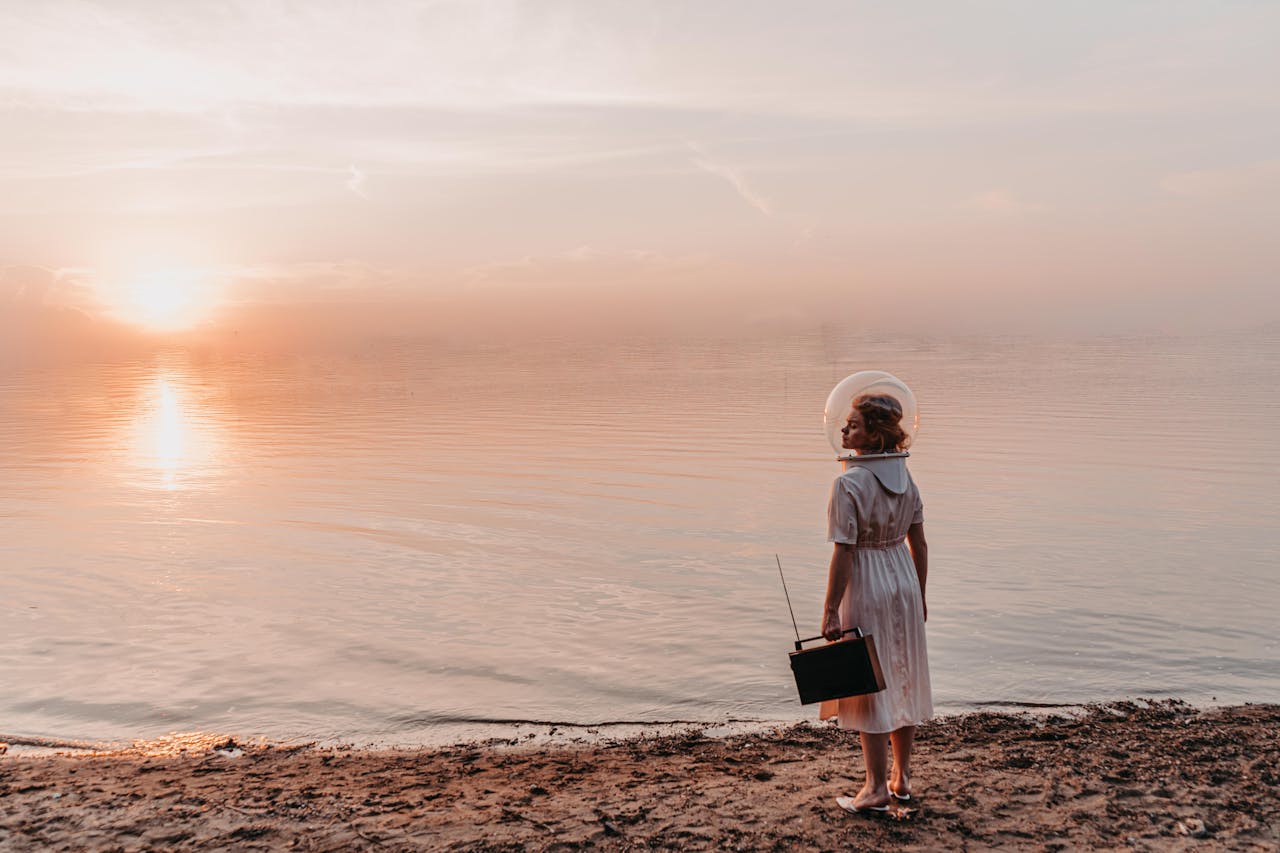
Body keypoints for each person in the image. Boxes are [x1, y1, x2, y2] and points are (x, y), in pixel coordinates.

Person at [819, 393, 932, 814]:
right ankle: (900, 778)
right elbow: (918, 542)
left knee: (868, 684)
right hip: (902, 578)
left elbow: (844, 551)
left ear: (874, 433)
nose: (844, 430)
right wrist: (918, 593)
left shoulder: (847, 483)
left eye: (852, 424)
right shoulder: (907, 479)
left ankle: (874, 788)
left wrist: (831, 609)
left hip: (867, 580)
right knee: (903, 676)